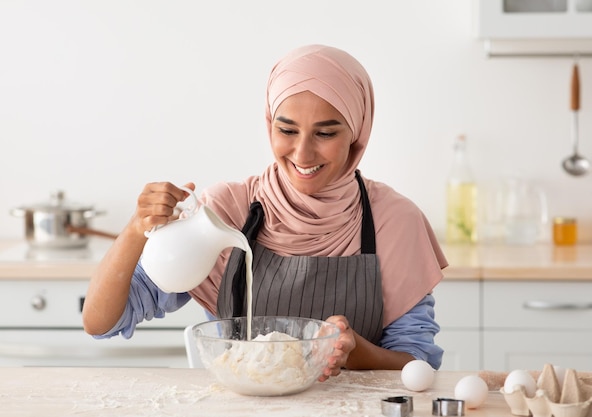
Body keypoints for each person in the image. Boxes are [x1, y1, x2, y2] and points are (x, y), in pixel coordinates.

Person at [82, 44, 448, 379]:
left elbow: (419, 366)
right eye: (286, 129)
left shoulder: (395, 222)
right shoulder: (224, 212)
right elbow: (102, 323)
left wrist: (355, 353)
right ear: (269, 122)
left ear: (357, 133)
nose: (303, 155)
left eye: (325, 134)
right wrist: (136, 229)